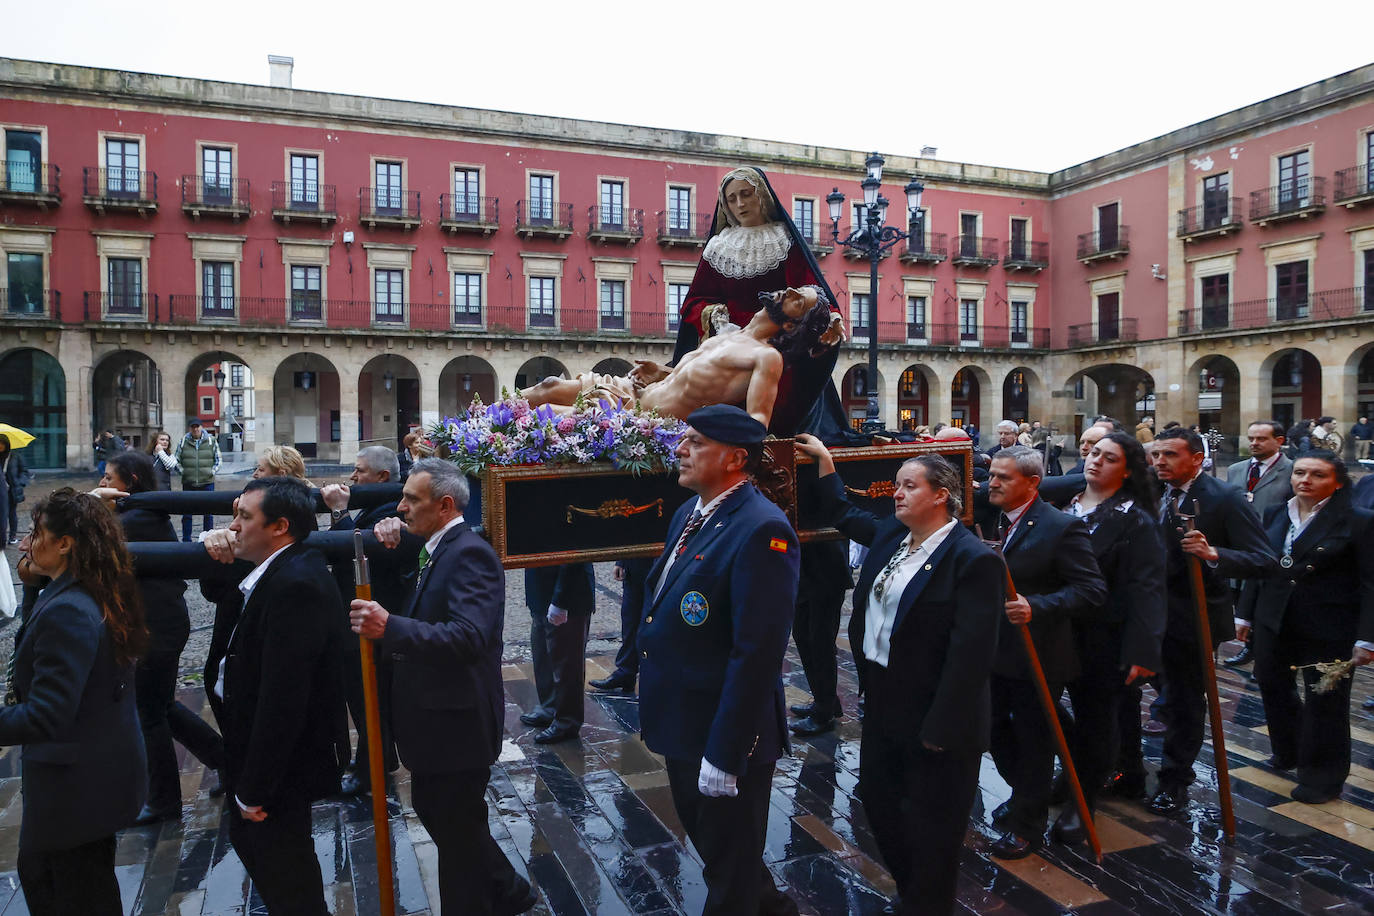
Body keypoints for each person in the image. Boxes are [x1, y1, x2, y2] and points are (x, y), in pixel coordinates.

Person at [796, 435, 1001, 915]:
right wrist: (825, 462)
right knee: (881, 807)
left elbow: (971, 656)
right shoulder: (892, 535)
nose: (897, 493)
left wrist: (942, 727)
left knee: (934, 826)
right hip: (884, 700)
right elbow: (844, 514)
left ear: (940, 495)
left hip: (937, 714)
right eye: (896, 485)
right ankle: (914, 892)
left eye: (909, 485)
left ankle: (926, 904)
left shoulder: (972, 559)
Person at [351, 458, 535, 916]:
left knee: (456, 835)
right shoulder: (438, 547)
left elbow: (468, 637)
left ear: (445, 504)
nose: (402, 507)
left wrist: (390, 626)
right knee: (446, 819)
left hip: (457, 724)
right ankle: (509, 890)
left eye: (412, 499)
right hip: (436, 721)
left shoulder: (469, 553)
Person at [637, 405, 800, 916]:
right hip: (684, 721)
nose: (679, 450)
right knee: (723, 854)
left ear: (735, 458)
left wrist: (728, 752)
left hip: (723, 731)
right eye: (683, 439)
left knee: (728, 870)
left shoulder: (761, 528)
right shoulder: (692, 513)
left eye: (695, 443)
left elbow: (757, 653)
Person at [1, 490, 146, 915]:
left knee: (63, 888)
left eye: (36, 532)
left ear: (65, 543)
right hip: (94, 780)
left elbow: (47, 714)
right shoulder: (88, 587)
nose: (25, 543)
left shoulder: (70, 610)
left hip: (75, 790)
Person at [213, 476, 350, 915]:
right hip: (259, 754)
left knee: (285, 873)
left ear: (279, 527)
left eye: (244, 517)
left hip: (280, 769)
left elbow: (284, 699)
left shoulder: (296, 586)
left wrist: (255, 788)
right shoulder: (282, 567)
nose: (233, 526)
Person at [983, 445, 1106, 858]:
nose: (992, 484)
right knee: (994, 730)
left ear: (1033, 483)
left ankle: (1028, 826)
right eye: (992, 476)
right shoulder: (989, 517)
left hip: (1039, 653)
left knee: (1034, 740)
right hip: (992, 649)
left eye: (1003, 478)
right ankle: (1025, 796)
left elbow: (1091, 589)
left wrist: (1038, 606)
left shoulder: (1060, 527)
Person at [1147, 428, 1274, 815]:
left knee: (1186, 699)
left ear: (1197, 459)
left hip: (1193, 615)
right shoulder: (1155, 490)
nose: (1160, 462)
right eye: (1156, 455)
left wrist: (1213, 552)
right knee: (1152, 688)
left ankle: (1175, 780)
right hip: (1150, 611)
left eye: (1169, 455)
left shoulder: (1224, 498)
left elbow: (1263, 558)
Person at [1237, 452, 1374, 804]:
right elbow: (1262, 564)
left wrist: (1367, 637)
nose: (1305, 480)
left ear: (1338, 482)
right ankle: (1290, 750)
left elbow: (1371, 583)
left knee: (1325, 700)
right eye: (1299, 473)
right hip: (1274, 617)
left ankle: (1323, 776)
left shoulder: (1359, 522)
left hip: (1328, 624)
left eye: (1317, 475)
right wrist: (1245, 615)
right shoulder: (1276, 513)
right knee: (1271, 684)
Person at [99, 451, 225, 824]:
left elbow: (87, 539)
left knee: (149, 712)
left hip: (158, 626)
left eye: (108, 478)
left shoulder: (136, 518)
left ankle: (165, 801)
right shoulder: (135, 514)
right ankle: (224, 760)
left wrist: (93, 504)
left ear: (131, 483)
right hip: (157, 622)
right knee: (160, 706)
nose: (103, 484)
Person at [674, 166, 846, 437]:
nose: (740, 204)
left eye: (746, 194)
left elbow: (810, 287)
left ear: (762, 196)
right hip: (729, 337)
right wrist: (716, 316)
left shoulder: (783, 240)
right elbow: (695, 300)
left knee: (780, 394)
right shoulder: (718, 247)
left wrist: (831, 316)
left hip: (777, 338)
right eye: (732, 199)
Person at [1053, 432, 1165, 840]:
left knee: (1096, 720)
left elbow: (1147, 588)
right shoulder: (1065, 505)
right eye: (1095, 453)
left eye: (1109, 458)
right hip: (1057, 629)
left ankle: (1082, 800)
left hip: (1105, 636)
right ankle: (1071, 772)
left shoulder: (1135, 519)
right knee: (1038, 707)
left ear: (1128, 470)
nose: (1096, 461)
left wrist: (1143, 649)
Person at [525, 285, 835, 429]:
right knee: (549, 386)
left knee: (545, 414)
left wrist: (708, 434)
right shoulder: (727, 335)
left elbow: (757, 422)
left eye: (798, 301)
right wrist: (659, 371)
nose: (790, 291)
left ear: (793, 324)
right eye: (797, 289)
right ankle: (476, 417)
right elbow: (691, 377)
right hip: (634, 393)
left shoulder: (767, 358)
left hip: (642, 422)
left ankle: (480, 436)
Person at [322, 445, 420, 795]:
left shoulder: (389, 513)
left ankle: (372, 767)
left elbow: (357, 550)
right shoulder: (377, 507)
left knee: (369, 697)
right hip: (364, 617)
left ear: (381, 477)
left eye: (360, 471)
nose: (353, 477)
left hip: (375, 618)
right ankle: (375, 758)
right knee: (365, 695)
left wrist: (338, 511)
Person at [1222, 421, 1294, 667]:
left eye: (1261, 439)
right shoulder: (1236, 469)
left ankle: (1262, 652)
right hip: (1238, 545)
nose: (1254, 443)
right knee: (1239, 597)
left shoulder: (1292, 470)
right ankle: (1247, 646)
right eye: (1251, 438)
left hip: (1269, 546)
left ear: (1279, 441)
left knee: (1261, 600)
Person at [520, 563, 596, 743]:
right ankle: (550, 707)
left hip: (568, 595)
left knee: (566, 663)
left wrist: (561, 599)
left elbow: (574, 558)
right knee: (543, 655)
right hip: (541, 591)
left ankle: (567, 721)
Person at [787, 538, 851, 736]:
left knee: (820, 641)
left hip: (826, 568)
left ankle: (824, 711)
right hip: (803, 569)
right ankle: (826, 700)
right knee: (801, 634)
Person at [589, 557, 652, 693]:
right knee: (630, 619)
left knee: (653, 623)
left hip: (660, 561)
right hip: (635, 562)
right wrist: (622, 561)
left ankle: (651, 677)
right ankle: (626, 671)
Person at [174, 420, 220, 541]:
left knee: (208, 512)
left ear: (201, 427)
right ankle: (186, 540)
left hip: (207, 482)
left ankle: (207, 539)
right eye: (193, 427)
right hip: (189, 482)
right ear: (190, 428)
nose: (195, 429)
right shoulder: (184, 441)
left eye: (197, 427)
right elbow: (176, 459)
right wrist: (183, 472)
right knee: (187, 513)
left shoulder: (211, 441)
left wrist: (212, 472)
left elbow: (218, 459)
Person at [0, 434, 30, 544]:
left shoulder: (15, 456)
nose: (0, 446)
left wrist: (19, 483)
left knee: (11, 513)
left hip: (11, 490)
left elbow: (24, 471)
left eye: (2, 443)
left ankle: (12, 536)